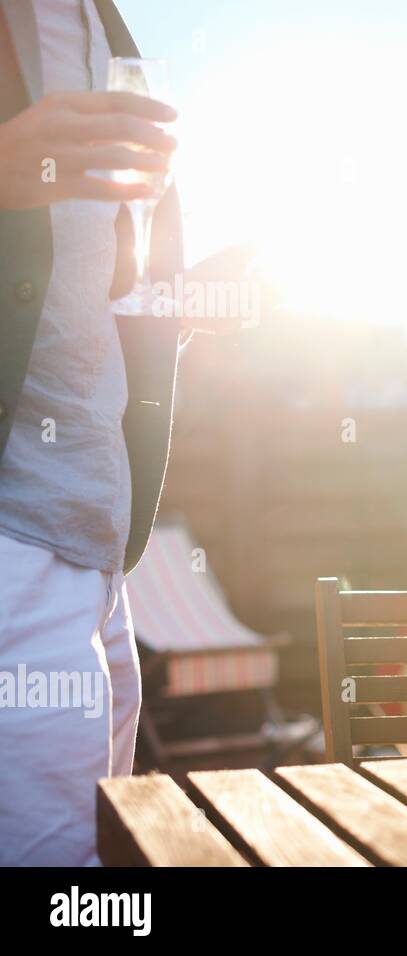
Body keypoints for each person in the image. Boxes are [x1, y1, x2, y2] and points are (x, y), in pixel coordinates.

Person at [0, 0, 182, 865]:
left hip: (101, 545)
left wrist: (178, 308)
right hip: (13, 537)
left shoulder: (104, 28)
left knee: (105, 865)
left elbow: (85, 293)